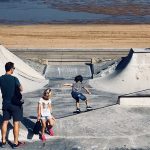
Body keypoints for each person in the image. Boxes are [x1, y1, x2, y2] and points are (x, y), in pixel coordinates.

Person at [0, 62, 24, 148]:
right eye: (13, 68)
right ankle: (15, 142)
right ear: (11, 69)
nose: (14, 70)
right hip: (15, 104)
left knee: (5, 122)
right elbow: (21, 89)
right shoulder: (14, 79)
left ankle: (3, 141)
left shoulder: (1, 78)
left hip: (5, 104)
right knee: (16, 123)